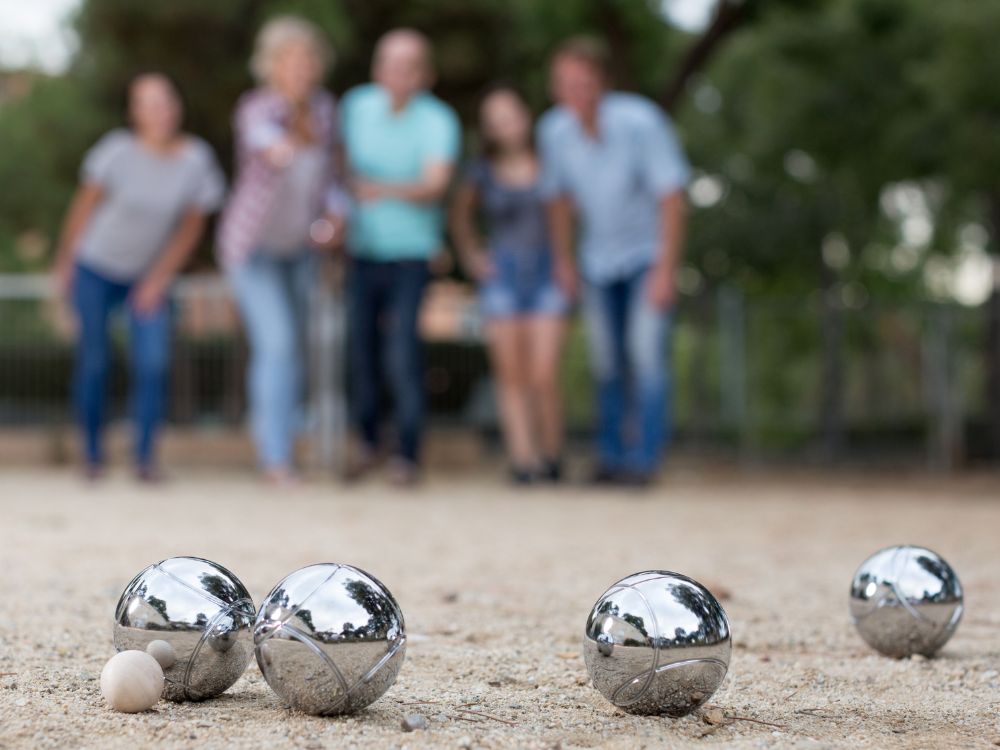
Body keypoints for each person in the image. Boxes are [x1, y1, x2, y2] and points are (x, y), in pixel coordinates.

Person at [53, 72, 225, 482]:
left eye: (166, 101)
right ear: (135, 112)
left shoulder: (196, 160)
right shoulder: (115, 152)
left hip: (147, 276)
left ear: (177, 106)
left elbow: (191, 228)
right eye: (148, 103)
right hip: (95, 267)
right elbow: (83, 208)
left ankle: (144, 458)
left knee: (153, 363)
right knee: (94, 361)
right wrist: (64, 265)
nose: (160, 111)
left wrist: (157, 279)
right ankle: (92, 455)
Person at [538, 38, 691, 486]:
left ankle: (644, 461)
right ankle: (610, 457)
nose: (575, 92)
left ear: (601, 82)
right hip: (596, 260)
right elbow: (558, 202)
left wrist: (666, 269)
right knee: (605, 361)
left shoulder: (641, 121)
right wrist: (563, 261)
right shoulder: (554, 132)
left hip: (646, 256)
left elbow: (672, 197)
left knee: (646, 357)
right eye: (566, 83)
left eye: (583, 82)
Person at [217, 16, 348, 484]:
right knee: (277, 343)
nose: (300, 68)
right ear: (271, 66)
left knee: (298, 350)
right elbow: (276, 151)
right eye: (289, 59)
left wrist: (336, 214)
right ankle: (276, 458)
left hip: (300, 249)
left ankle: (285, 443)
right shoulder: (257, 108)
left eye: (307, 59)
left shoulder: (327, 110)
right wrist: (298, 121)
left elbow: (330, 179)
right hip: (252, 249)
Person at [340, 29, 461, 486]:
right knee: (361, 354)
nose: (397, 73)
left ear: (424, 74)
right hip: (361, 251)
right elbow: (340, 171)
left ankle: (407, 453)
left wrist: (377, 188)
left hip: (412, 254)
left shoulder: (438, 119)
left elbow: (435, 185)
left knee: (401, 354)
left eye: (408, 64)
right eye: (389, 62)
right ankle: (369, 442)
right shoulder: (355, 106)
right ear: (377, 67)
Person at [450, 86, 568, 484]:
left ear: (526, 116)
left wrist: (568, 264)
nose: (505, 126)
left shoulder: (550, 163)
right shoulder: (480, 171)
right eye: (495, 120)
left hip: (547, 274)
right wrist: (472, 256)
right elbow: (461, 217)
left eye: (510, 115)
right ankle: (523, 459)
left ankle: (552, 453)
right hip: (503, 277)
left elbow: (566, 218)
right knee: (511, 374)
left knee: (543, 372)